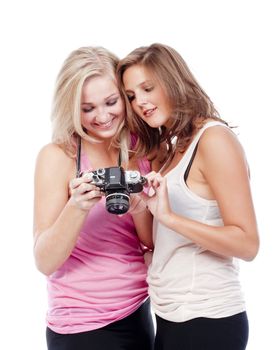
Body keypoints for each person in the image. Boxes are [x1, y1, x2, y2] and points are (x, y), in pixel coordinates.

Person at [117, 43, 259, 350]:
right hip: (171, 316)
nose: (140, 102)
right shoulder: (174, 149)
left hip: (208, 319)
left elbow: (247, 244)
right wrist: (143, 209)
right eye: (131, 96)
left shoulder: (214, 140)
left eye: (147, 88)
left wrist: (169, 217)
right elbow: (165, 241)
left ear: (172, 80)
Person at [33, 46, 155, 350]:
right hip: (81, 323)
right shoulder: (58, 157)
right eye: (87, 109)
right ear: (71, 108)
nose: (102, 117)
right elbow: (45, 261)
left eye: (111, 102)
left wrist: (139, 202)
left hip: (138, 310)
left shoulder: (141, 149)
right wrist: (77, 206)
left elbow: (151, 242)